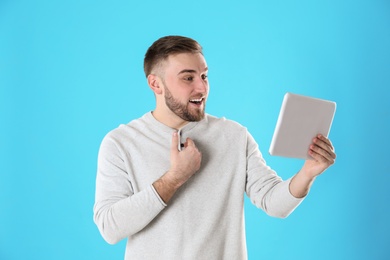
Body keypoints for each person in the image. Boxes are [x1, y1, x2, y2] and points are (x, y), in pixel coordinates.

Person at [93, 35, 336, 260]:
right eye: (188, 78)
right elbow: (110, 228)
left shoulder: (234, 136)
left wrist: (308, 172)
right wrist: (174, 178)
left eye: (204, 76)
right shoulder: (121, 143)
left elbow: (274, 203)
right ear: (156, 84)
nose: (201, 88)